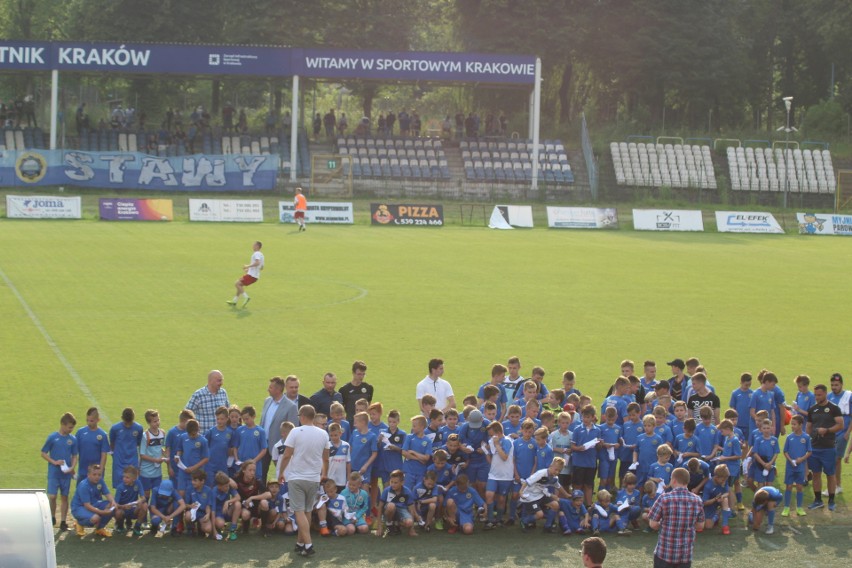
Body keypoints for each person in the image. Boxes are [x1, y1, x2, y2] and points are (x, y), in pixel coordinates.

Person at [277, 405, 330, 557]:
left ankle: (308, 543)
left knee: (298, 511)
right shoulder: (323, 434)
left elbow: (287, 455)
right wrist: (324, 474)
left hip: (296, 477)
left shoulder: (295, 431)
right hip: (314, 478)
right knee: (306, 511)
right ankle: (300, 543)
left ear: (303, 416)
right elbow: (326, 458)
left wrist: (281, 472)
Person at [647, 467, 705, 568]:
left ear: (673, 480)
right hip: (685, 555)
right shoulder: (697, 500)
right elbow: (700, 526)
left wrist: (663, 525)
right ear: (687, 481)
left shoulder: (664, 498)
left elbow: (653, 524)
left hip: (665, 553)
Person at [806, 384, 844, 511]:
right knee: (816, 474)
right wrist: (808, 440)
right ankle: (818, 500)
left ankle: (832, 500)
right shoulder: (813, 409)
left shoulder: (834, 408)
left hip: (828, 447)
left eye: (819, 395)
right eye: (815, 395)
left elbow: (840, 425)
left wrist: (826, 430)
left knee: (830, 474)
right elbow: (809, 427)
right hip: (815, 448)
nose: (817, 397)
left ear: (825, 394)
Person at [42, 412, 78, 530]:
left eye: (72, 427)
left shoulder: (72, 439)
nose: (71, 429)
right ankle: (52, 516)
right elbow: (43, 453)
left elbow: (74, 455)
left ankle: (63, 521)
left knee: (64, 497)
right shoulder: (53, 437)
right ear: (62, 424)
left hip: (65, 474)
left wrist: (72, 467)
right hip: (54, 472)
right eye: (69, 427)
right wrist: (54, 462)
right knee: (52, 496)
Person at [261, 376, 299, 482]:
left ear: (278, 390)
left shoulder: (291, 406)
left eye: (271, 387)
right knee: (261, 473)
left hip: (280, 447)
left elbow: (293, 430)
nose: (268, 389)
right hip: (264, 444)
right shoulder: (267, 401)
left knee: (283, 473)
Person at [71, 464, 115, 538]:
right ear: (88, 475)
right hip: (79, 507)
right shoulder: (84, 485)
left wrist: (113, 502)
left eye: (99, 474)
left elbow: (108, 494)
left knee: (111, 506)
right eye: (94, 474)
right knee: (96, 518)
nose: (97, 477)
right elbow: (87, 506)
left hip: (93, 504)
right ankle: (79, 523)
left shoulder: (100, 481)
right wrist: (102, 512)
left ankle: (99, 529)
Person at [827, 373, 851, 495]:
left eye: (836, 385)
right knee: (829, 459)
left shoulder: (849, 397)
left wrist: (848, 432)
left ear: (841, 384)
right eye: (832, 385)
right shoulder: (829, 396)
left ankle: (837, 485)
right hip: (830, 433)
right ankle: (833, 486)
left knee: (836, 459)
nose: (834, 387)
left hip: (842, 433)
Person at [109, 408, 143, 489]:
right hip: (119, 460)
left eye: (130, 423)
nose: (128, 425)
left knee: (132, 484)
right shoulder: (115, 429)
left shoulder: (138, 428)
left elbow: (139, 442)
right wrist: (115, 455)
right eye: (126, 423)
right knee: (119, 485)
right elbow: (112, 443)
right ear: (122, 418)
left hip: (132, 460)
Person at [75, 407, 109, 487]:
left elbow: (104, 454)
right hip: (83, 470)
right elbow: (74, 451)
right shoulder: (80, 432)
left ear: (98, 420)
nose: (89, 423)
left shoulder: (102, 435)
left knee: (96, 493)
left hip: (96, 472)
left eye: (91, 421)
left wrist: (101, 469)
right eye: (87, 420)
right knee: (80, 492)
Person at [227, 241, 264, 308]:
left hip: (251, 276)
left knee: (237, 284)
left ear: (257, 246)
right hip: (254, 276)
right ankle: (234, 301)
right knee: (240, 285)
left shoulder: (257, 254)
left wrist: (248, 266)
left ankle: (246, 297)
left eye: (254, 245)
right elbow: (261, 267)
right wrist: (249, 270)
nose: (252, 246)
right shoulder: (261, 255)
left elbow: (257, 263)